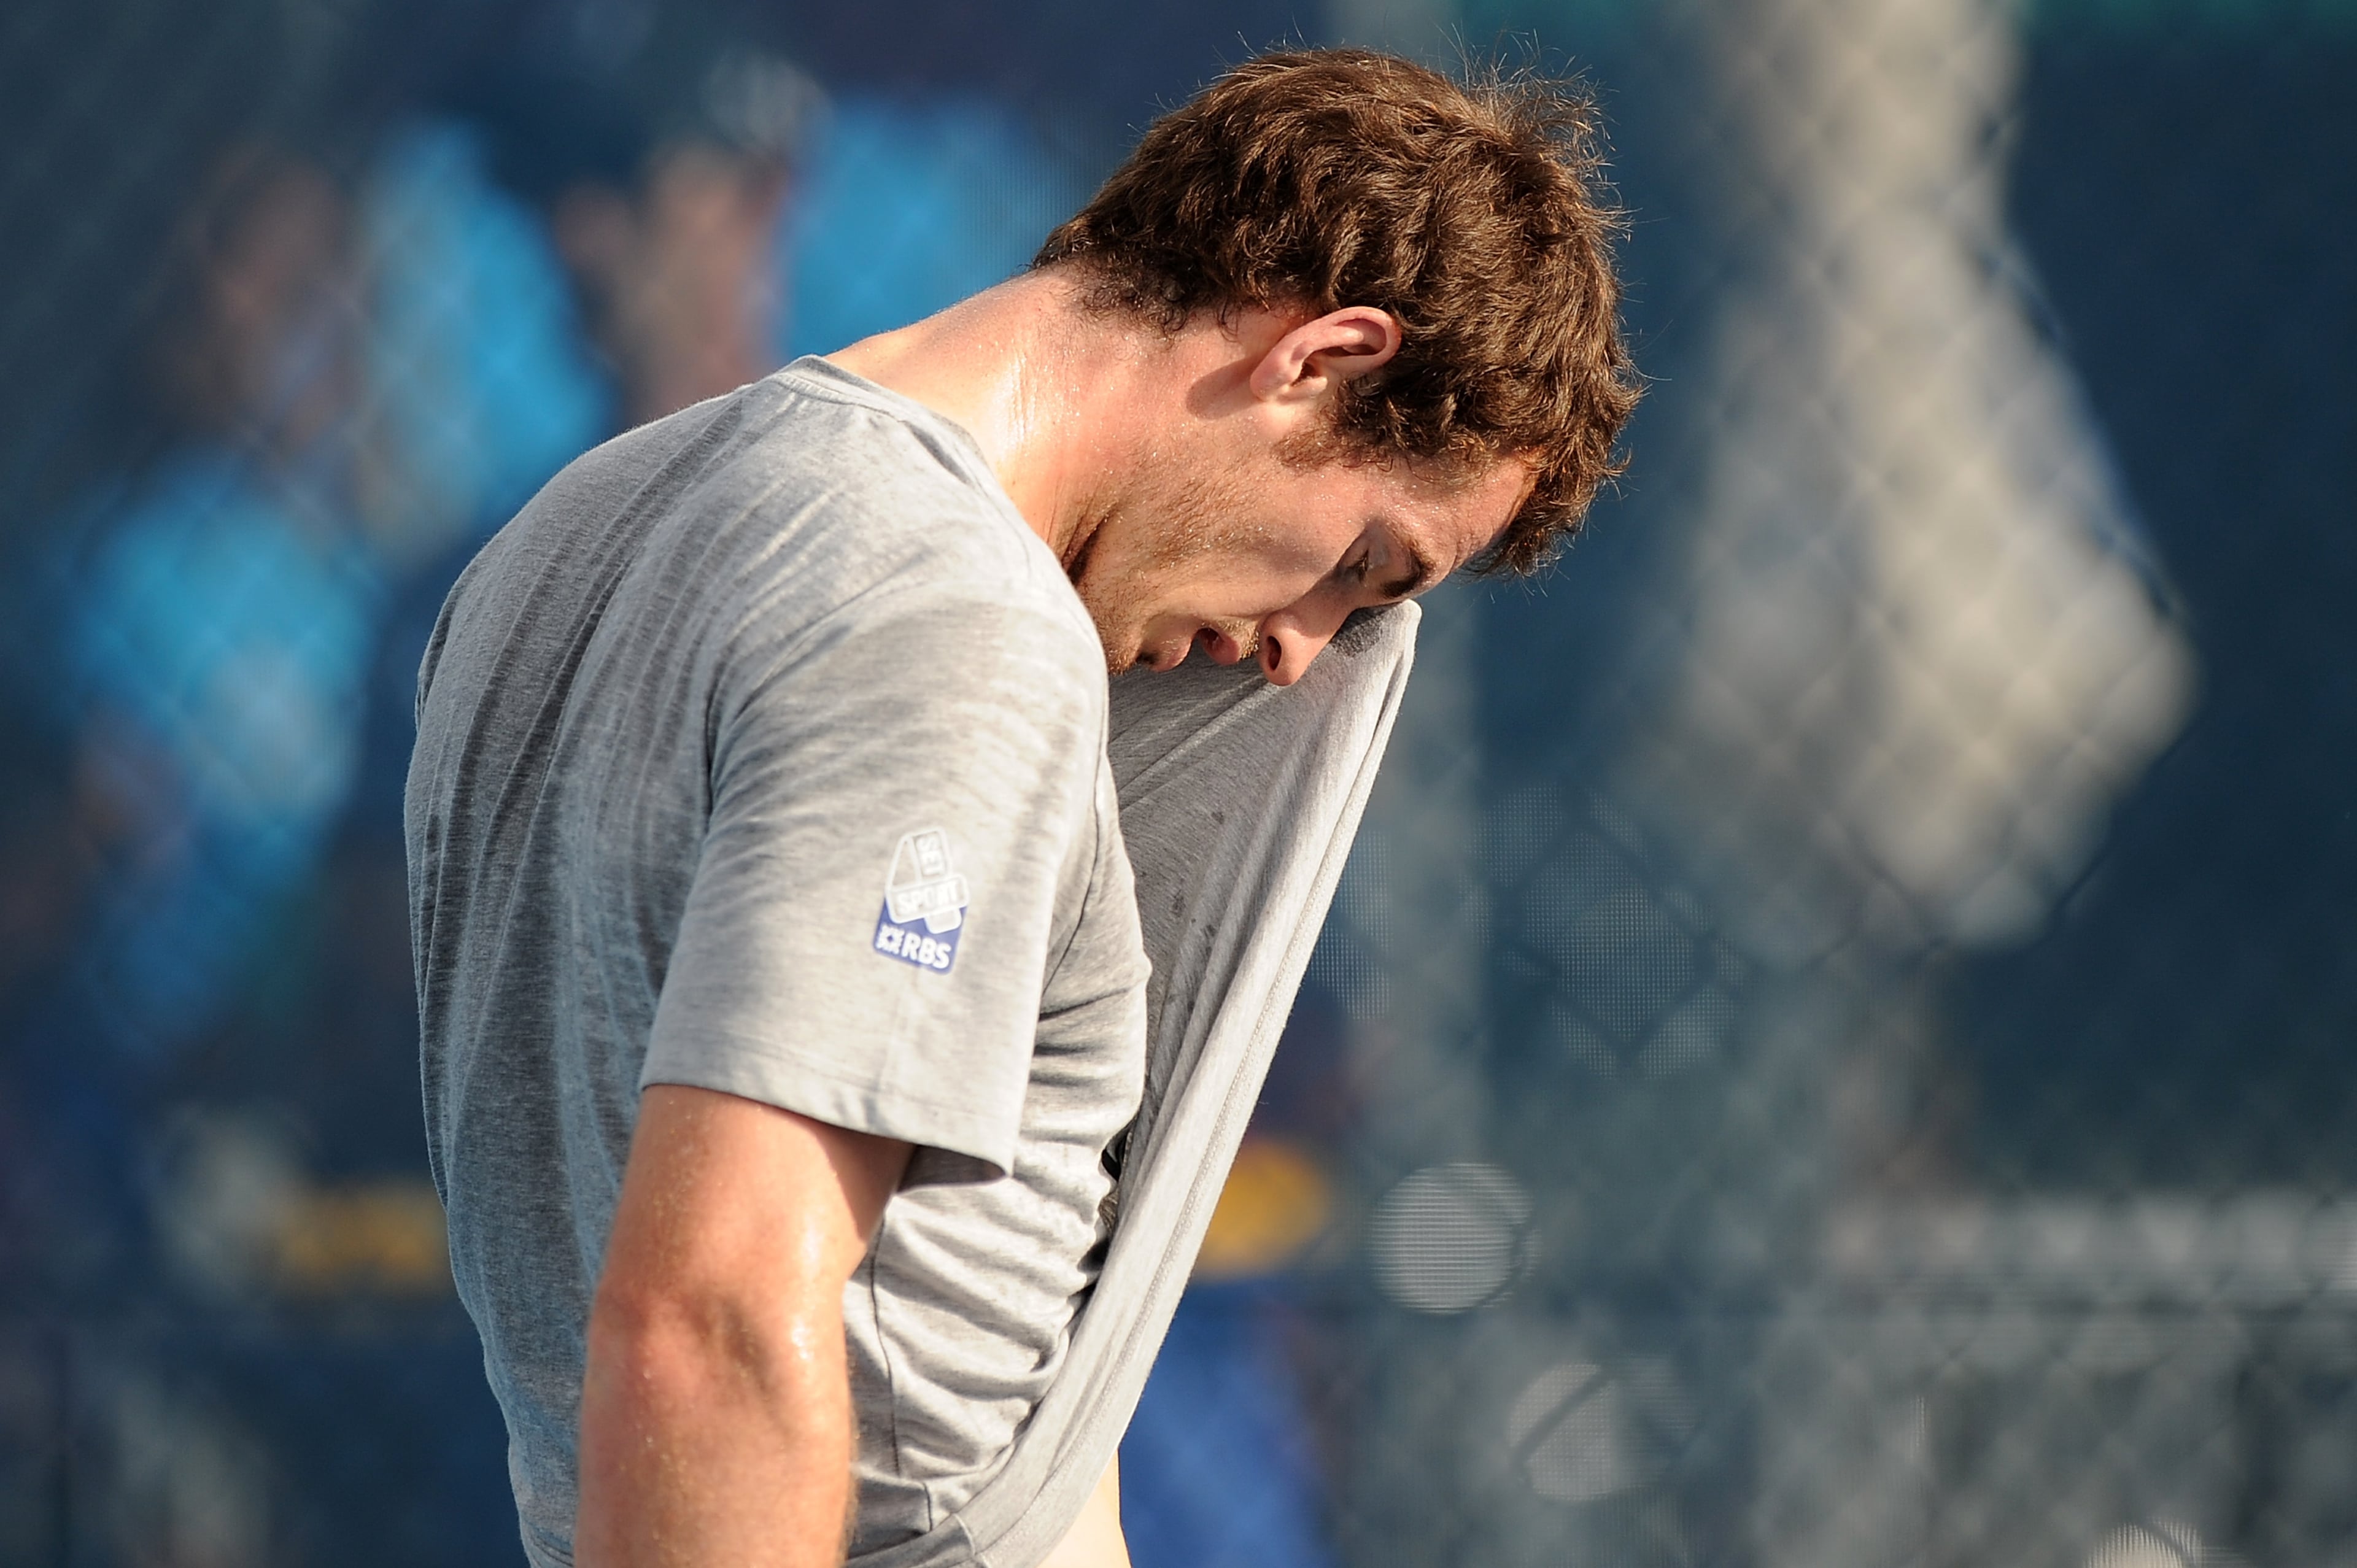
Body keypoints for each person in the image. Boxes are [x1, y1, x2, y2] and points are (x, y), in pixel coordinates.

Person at [404, 48, 1636, 1568]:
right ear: (1318, 360)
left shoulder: (574, 530)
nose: (1304, 647)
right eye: (1364, 563)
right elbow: (714, 1325)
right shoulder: (954, 625)